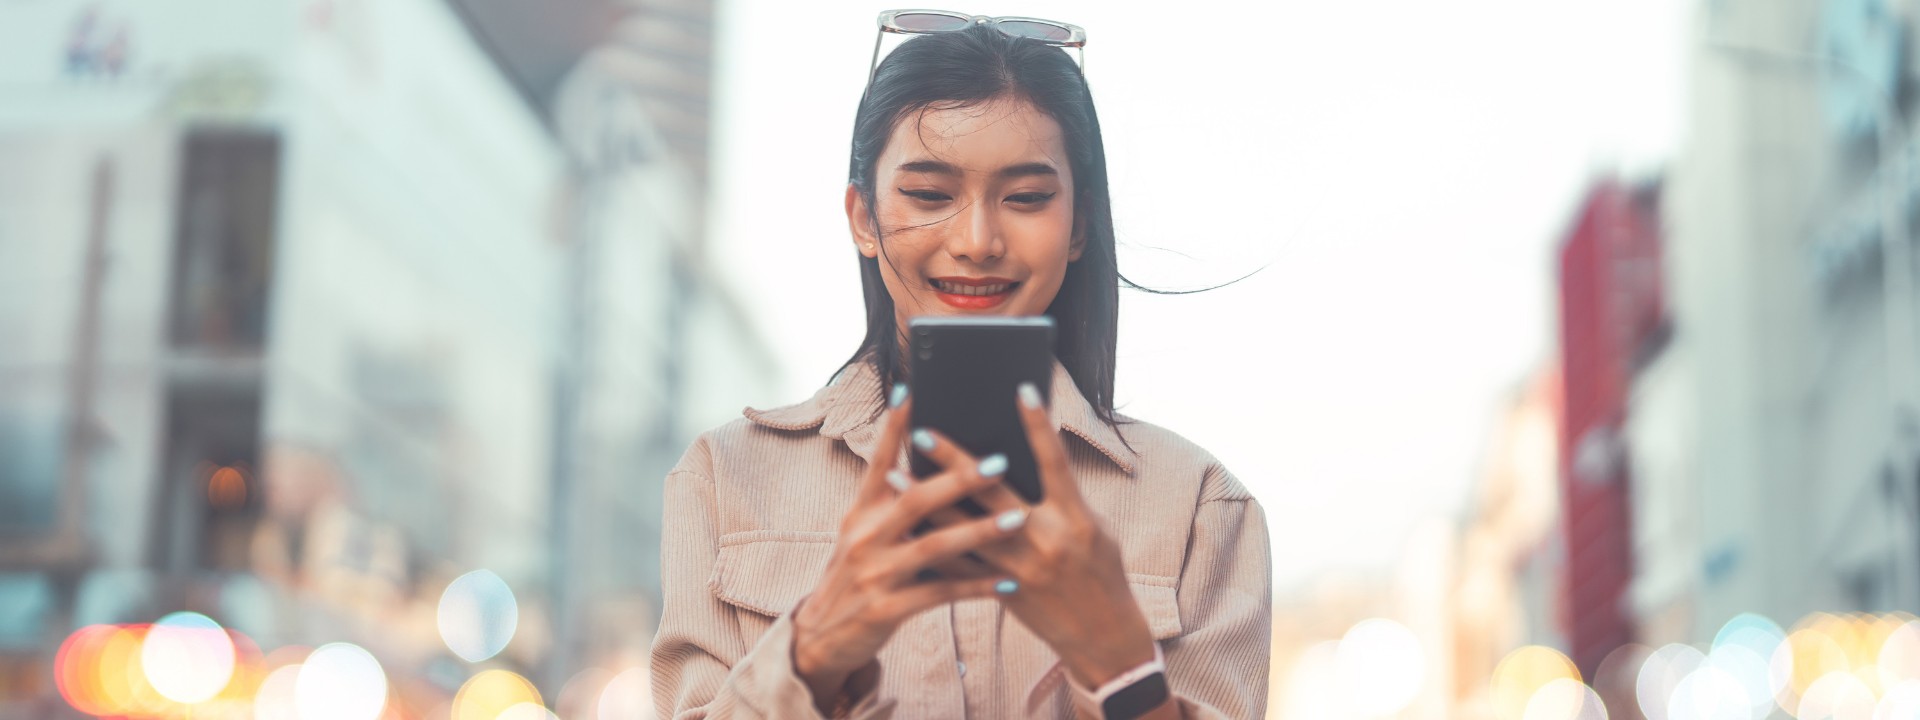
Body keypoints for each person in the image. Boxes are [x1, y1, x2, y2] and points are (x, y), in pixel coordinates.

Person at [650, 11, 1271, 719]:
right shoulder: (726, 479)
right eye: (929, 194)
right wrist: (815, 648)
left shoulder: (1198, 505)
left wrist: (1123, 668)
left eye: (1028, 198)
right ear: (862, 217)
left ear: (1079, 227)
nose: (978, 240)